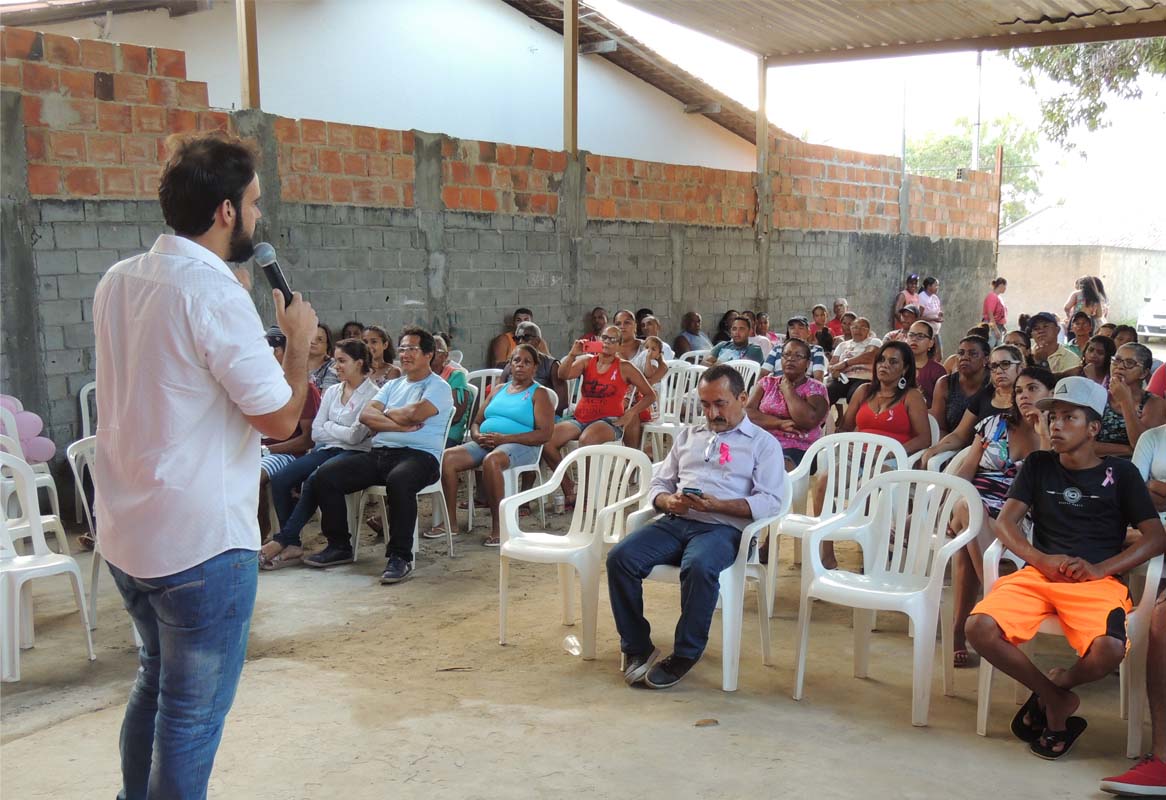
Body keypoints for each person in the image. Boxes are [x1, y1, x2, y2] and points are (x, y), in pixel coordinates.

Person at [93, 130, 319, 798]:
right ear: (225, 212)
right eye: (252, 204)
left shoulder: (119, 279)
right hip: (199, 545)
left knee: (154, 683)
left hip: (128, 532)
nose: (257, 217)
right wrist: (298, 345)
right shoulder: (213, 295)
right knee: (190, 716)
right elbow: (279, 421)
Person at [965, 376, 1166, 760]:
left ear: (1093, 427)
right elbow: (1005, 523)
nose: (1055, 425)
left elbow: (1156, 537)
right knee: (979, 627)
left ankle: (1060, 686)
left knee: (1108, 649)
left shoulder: (1121, 475)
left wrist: (1099, 569)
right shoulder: (1039, 465)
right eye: (1052, 417)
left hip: (1097, 582)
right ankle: (1054, 698)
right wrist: (1040, 559)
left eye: (1068, 417)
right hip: (1038, 575)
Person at [606, 365, 786, 689]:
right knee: (620, 558)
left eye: (720, 403)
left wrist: (719, 505)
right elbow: (659, 482)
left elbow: (770, 502)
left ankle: (685, 653)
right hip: (677, 521)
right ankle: (638, 647)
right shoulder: (689, 435)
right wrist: (665, 501)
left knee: (700, 565)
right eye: (704, 404)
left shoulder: (763, 444)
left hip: (724, 529)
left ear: (742, 398)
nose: (711, 412)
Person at [306, 327, 453, 584]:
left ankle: (400, 556)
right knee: (326, 475)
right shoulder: (393, 385)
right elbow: (366, 415)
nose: (405, 354)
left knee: (400, 480)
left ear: (429, 354)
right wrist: (400, 423)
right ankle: (339, 545)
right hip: (381, 453)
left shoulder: (438, 387)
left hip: (420, 457)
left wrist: (389, 415)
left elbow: (415, 414)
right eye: (403, 348)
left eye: (412, 349)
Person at [948, 367, 1055, 667]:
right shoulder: (993, 424)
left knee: (965, 547)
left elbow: (1048, 483)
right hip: (974, 502)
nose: (1024, 396)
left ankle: (960, 629)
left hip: (1018, 515)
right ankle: (997, 602)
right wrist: (951, 498)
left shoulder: (1057, 431)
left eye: (1033, 389)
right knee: (968, 508)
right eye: (1020, 391)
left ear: (1050, 394)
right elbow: (968, 469)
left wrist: (1043, 432)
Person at [259, 338, 379, 570]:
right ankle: (292, 542)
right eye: (336, 361)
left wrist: (330, 428)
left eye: (343, 361)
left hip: (355, 453)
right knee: (281, 478)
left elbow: (355, 438)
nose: (337, 367)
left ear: (359, 362)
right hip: (327, 449)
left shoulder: (372, 394)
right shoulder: (334, 390)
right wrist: (337, 430)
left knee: (318, 477)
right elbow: (316, 431)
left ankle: (284, 540)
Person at [1098, 423, 1166, 794]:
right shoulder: (1155, 437)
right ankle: (1164, 760)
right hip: (1152, 538)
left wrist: (1158, 489)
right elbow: (1134, 495)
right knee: (1162, 619)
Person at [821, 341, 930, 568]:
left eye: (893, 362)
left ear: (905, 369)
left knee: (872, 480)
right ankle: (827, 552)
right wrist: (847, 443)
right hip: (859, 456)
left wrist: (893, 451)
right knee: (824, 481)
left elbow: (924, 438)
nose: (884, 365)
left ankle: (872, 551)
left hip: (893, 460)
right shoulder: (863, 391)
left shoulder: (911, 397)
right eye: (881, 360)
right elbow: (846, 426)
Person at [441, 344, 555, 546]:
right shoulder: (499, 389)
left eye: (527, 362)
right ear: (510, 365)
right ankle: (450, 523)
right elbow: (476, 421)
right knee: (448, 457)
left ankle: (499, 527)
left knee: (492, 461)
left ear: (535, 368)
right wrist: (477, 436)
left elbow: (544, 434)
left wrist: (505, 439)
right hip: (488, 442)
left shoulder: (539, 394)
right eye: (516, 361)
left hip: (522, 445)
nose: (520, 365)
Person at [547, 326, 656, 508]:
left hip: (608, 420)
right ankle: (569, 488)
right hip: (580, 418)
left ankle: (588, 494)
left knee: (587, 439)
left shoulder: (625, 367)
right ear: (598, 339)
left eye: (613, 340)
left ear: (619, 345)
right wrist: (572, 354)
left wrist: (630, 413)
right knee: (547, 440)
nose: (607, 342)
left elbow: (650, 394)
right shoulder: (586, 361)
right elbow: (562, 375)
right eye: (604, 338)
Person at [258, 327, 323, 541]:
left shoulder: (303, 388)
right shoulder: (261, 385)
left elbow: (306, 440)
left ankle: (260, 536)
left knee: (253, 476)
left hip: (286, 453)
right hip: (259, 448)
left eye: (272, 349)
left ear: (283, 353)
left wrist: (266, 450)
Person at [920, 344, 1024, 469]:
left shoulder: (1026, 399)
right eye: (994, 366)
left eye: (1006, 364)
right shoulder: (985, 395)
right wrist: (935, 449)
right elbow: (960, 435)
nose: (999, 370)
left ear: (1021, 367)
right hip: (978, 464)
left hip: (1014, 467)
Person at [746, 338, 830, 469]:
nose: (791, 359)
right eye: (787, 355)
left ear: (807, 363)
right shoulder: (767, 383)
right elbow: (747, 412)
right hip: (762, 442)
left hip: (799, 447)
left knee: (772, 466)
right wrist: (779, 423)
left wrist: (788, 391)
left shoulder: (816, 388)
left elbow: (809, 420)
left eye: (798, 356)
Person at [1097, 343, 1166, 457]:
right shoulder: (1098, 396)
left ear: (1144, 373)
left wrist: (1125, 401)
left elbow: (1143, 446)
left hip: (1135, 470)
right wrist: (1129, 449)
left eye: (1129, 363)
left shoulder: (1154, 403)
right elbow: (1084, 445)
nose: (1119, 366)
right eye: (1117, 360)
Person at [615, 309, 668, 449]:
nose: (622, 326)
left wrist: (643, 385)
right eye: (618, 323)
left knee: (630, 413)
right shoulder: (611, 349)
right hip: (622, 397)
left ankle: (633, 460)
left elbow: (664, 367)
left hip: (645, 399)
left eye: (627, 322)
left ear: (635, 326)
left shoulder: (647, 347)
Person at [501, 321, 568, 416]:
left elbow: (562, 404)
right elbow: (499, 395)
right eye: (517, 338)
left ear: (538, 341)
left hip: (541, 415)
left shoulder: (552, 365)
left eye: (526, 338)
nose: (520, 342)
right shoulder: (510, 365)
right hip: (510, 413)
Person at [930, 336, 991, 436]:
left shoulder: (993, 384)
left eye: (973, 354)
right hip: (950, 443)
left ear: (986, 359)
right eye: (961, 353)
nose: (965, 357)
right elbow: (939, 428)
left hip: (985, 445)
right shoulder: (944, 383)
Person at [826, 316, 881, 404]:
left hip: (864, 378)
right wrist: (833, 371)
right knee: (826, 393)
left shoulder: (874, 342)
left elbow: (869, 356)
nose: (857, 330)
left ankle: (851, 417)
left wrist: (845, 363)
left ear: (868, 330)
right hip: (843, 378)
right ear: (851, 329)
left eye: (862, 328)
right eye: (855, 327)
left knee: (855, 394)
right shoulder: (842, 345)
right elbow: (832, 364)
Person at [431, 334, 470, 449]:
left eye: (436, 351)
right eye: (428, 349)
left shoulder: (456, 376)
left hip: (448, 433)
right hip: (425, 430)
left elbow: (456, 416)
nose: (431, 354)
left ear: (446, 355)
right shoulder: (421, 376)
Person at [762, 315, 827, 380]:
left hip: (804, 388)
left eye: (800, 328)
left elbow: (818, 379)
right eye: (792, 328)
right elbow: (763, 374)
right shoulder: (777, 349)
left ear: (808, 332)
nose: (795, 331)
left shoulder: (816, 350)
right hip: (777, 386)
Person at [907, 320, 947, 406]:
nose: (914, 339)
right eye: (911, 335)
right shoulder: (898, 367)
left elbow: (940, 408)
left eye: (920, 336)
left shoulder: (938, 371)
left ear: (930, 343)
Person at [307, 323, 339, 391]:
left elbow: (326, 396)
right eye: (310, 337)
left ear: (327, 345)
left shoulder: (333, 365)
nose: (313, 342)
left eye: (319, 339)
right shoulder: (295, 364)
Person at [918, 277, 945, 356]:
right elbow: (918, 318)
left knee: (939, 355)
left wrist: (939, 314)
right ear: (929, 286)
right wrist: (933, 318)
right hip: (926, 333)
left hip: (935, 332)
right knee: (930, 355)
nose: (937, 288)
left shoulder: (935, 297)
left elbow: (937, 311)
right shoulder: (922, 298)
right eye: (935, 285)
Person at [982, 277, 1009, 345]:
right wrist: (995, 329)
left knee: (998, 346)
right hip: (992, 326)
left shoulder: (998, 297)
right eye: (1005, 287)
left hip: (998, 325)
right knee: (991, 345)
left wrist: (1002, 326)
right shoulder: (992, 296)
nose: (1005, 289)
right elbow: (990, 314)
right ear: (1001, 286)